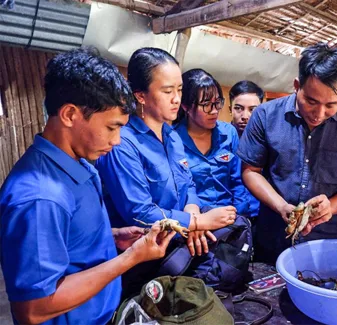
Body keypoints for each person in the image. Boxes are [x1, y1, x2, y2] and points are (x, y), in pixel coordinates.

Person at [0, 48, 175, 325]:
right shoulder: (40, 197)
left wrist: (111, 236)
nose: (116, 141)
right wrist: (130, 258)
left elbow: (66, 238)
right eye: (111, 127)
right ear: (70, 114)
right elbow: (33, 308)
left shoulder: (80, 163)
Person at [95, 48, 236, 295]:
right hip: (144, 260)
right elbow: (139, 212)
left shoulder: (172, 136)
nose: (176, 99)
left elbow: (188, 186)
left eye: (179, 90)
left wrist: (193, 219)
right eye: (167, 91)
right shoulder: (123, 143)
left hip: (178, 248)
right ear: (140, 95)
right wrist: (198, 221)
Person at [237, 43, 337, 264]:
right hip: (274, 234)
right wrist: (280, 205)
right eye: (311, 101)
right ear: (297, 85)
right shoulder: (265, 115)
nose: (319, 114)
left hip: (327, 239)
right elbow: (250, 171)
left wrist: (331, 207)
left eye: (331, 105)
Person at [173, 70, 256, 218]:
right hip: (196, 219)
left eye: (217, 103)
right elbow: (180, 190)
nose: (214, 111)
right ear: (185, 106)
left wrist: (240, 216)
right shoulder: (173, 140)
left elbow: (237, 181)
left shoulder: (228, 133)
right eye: (206, 105)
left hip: (231, 216)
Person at [229, 80, 264, 219]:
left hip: (261, 214)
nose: (245, 116)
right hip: (229, 216)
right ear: (229, 108)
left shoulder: (269, 140)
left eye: (252, 109)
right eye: (238, 108)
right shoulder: (219, 139)